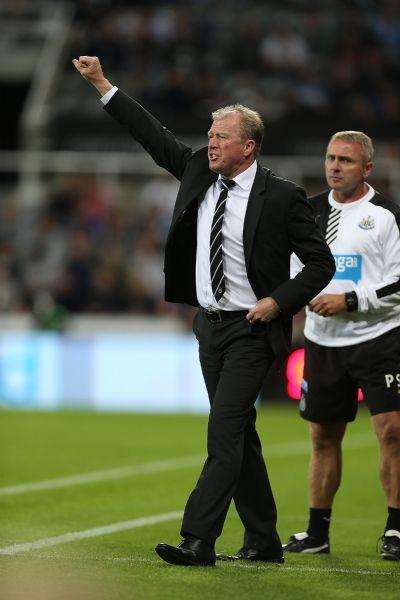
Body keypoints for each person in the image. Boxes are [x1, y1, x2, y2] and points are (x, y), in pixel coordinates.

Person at [72, 55, 335, 567]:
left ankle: (199, 539)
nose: (210, 143)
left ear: (248, 146)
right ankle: (263, 540)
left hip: (252, 329)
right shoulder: (197, 171)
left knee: (223, 433)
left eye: (221, 137)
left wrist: (277, 302)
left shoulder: (282, 196)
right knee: (240, 436)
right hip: (208, 328)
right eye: (210, 136)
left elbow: (320, 263)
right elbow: (152, 135)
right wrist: (102, 84)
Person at [285, 131, 400, 560]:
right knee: (322, 436)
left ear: (367, 168)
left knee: (393, 432)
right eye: (331, 158)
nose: (335, 166)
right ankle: (317, 533)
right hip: (323, 340)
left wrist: (349, 300)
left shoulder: (387, 216)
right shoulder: (307, 212)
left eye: (346, 160)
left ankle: (396, 531)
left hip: (380, 338)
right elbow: (293, 269)